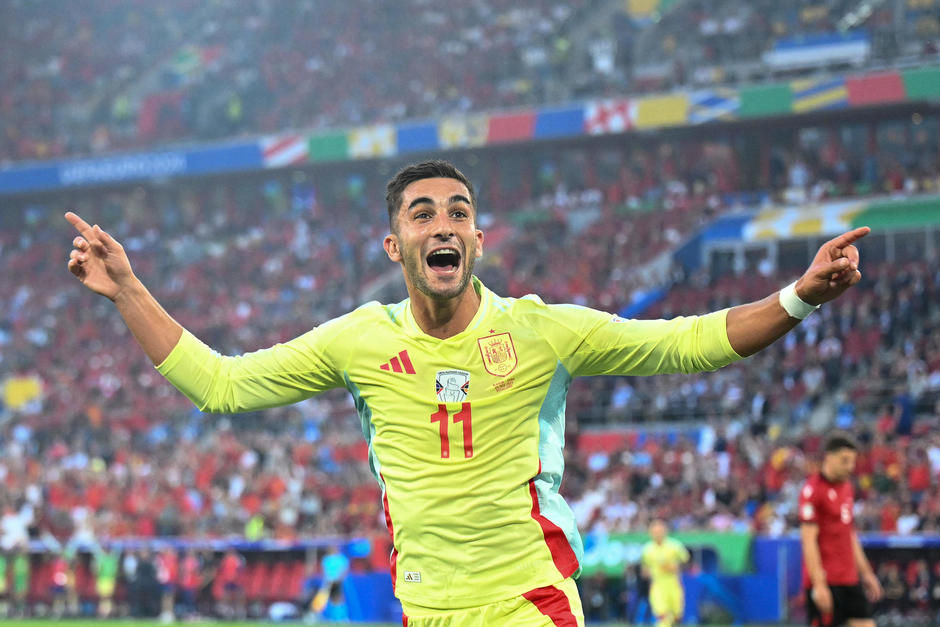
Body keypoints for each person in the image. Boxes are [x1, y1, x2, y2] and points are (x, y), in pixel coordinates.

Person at [66, 159, 869, 626]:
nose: (441, 224)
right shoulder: (360, 340)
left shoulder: (540, 329)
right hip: (425, 607)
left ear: (479, 240)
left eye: (458, 212)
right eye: (422, 214)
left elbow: (684, 343)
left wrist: (797, 296)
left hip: (528, 599)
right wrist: (129, 289)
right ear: (395, 244)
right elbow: (223, 385)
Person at [799, 433, 882, 627]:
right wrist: (819, 585)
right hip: (826, 581)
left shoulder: (847, 488)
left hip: (849, 578)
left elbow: (849, 534)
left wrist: (866, 573)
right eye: (844, 461)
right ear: (828, 457)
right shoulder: (812, 490)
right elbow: (808, 541)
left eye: (852, 462)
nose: (850, 467)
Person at [640, 519, 690, 627]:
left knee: (677, 616)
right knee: (663, 616)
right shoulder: (647, 549)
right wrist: (648, 573)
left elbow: (687, 562)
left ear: (665, 531)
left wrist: (676, 567)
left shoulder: (675, 546)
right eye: (654, 532)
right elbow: (644, 569)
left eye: (659, 531)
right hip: (657, 585)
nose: (657, 534)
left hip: (674, 583)